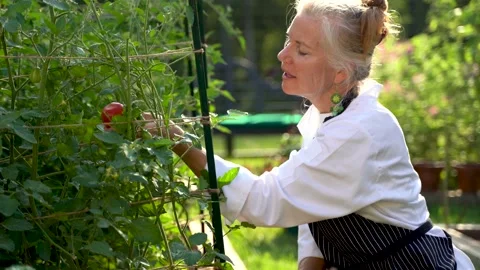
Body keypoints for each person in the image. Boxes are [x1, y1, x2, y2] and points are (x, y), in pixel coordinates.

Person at [146, 0, 475, 269]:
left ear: (340, 73)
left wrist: (178, 142)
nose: (282, 55)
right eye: (288, 40)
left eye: (301, 50)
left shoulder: (358, 131)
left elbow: (265, 200)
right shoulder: (330, 116)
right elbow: (309, 204)